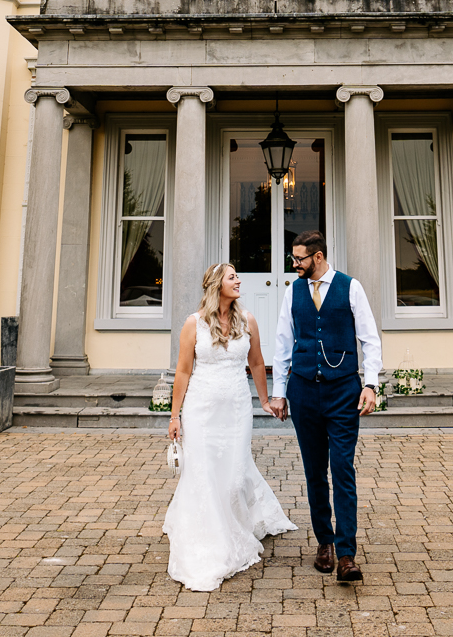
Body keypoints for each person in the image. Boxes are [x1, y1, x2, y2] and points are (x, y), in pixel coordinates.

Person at [162, 262, 296, 591]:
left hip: (237, 409)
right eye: (232, 277)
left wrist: (265, 400)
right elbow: (182, 372)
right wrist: (175, 415)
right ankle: (212, 540)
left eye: (238, 275)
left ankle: (235, 521)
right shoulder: (193, 324)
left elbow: (256, 363)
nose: (239, 281)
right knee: (205, 474)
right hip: (201, 410)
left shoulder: (247, 320)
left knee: (234, 476)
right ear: (215, 285)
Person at [264, 230, 381, 583]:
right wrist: (280, 392)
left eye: (298, 258)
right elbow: (283, 344)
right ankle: (324, 544)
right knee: (315, 472)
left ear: (317, 257)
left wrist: (371, 385)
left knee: (343, 470)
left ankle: (347, 554)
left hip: (343, 391)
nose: (294, 264)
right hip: (303, 393)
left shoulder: (351, 287)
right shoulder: (292, 291)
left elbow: (369, 338)